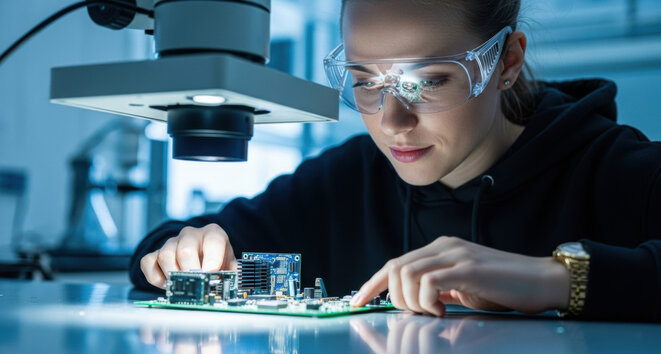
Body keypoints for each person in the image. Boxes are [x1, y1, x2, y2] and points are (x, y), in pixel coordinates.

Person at [130, 0, 661, 321]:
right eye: (365, 83)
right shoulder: (347, 179)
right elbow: (159, 247)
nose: (392, 121)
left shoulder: (613, 169)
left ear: (507, 61)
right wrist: (185, 251)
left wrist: (554, 279)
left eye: (426, 81)